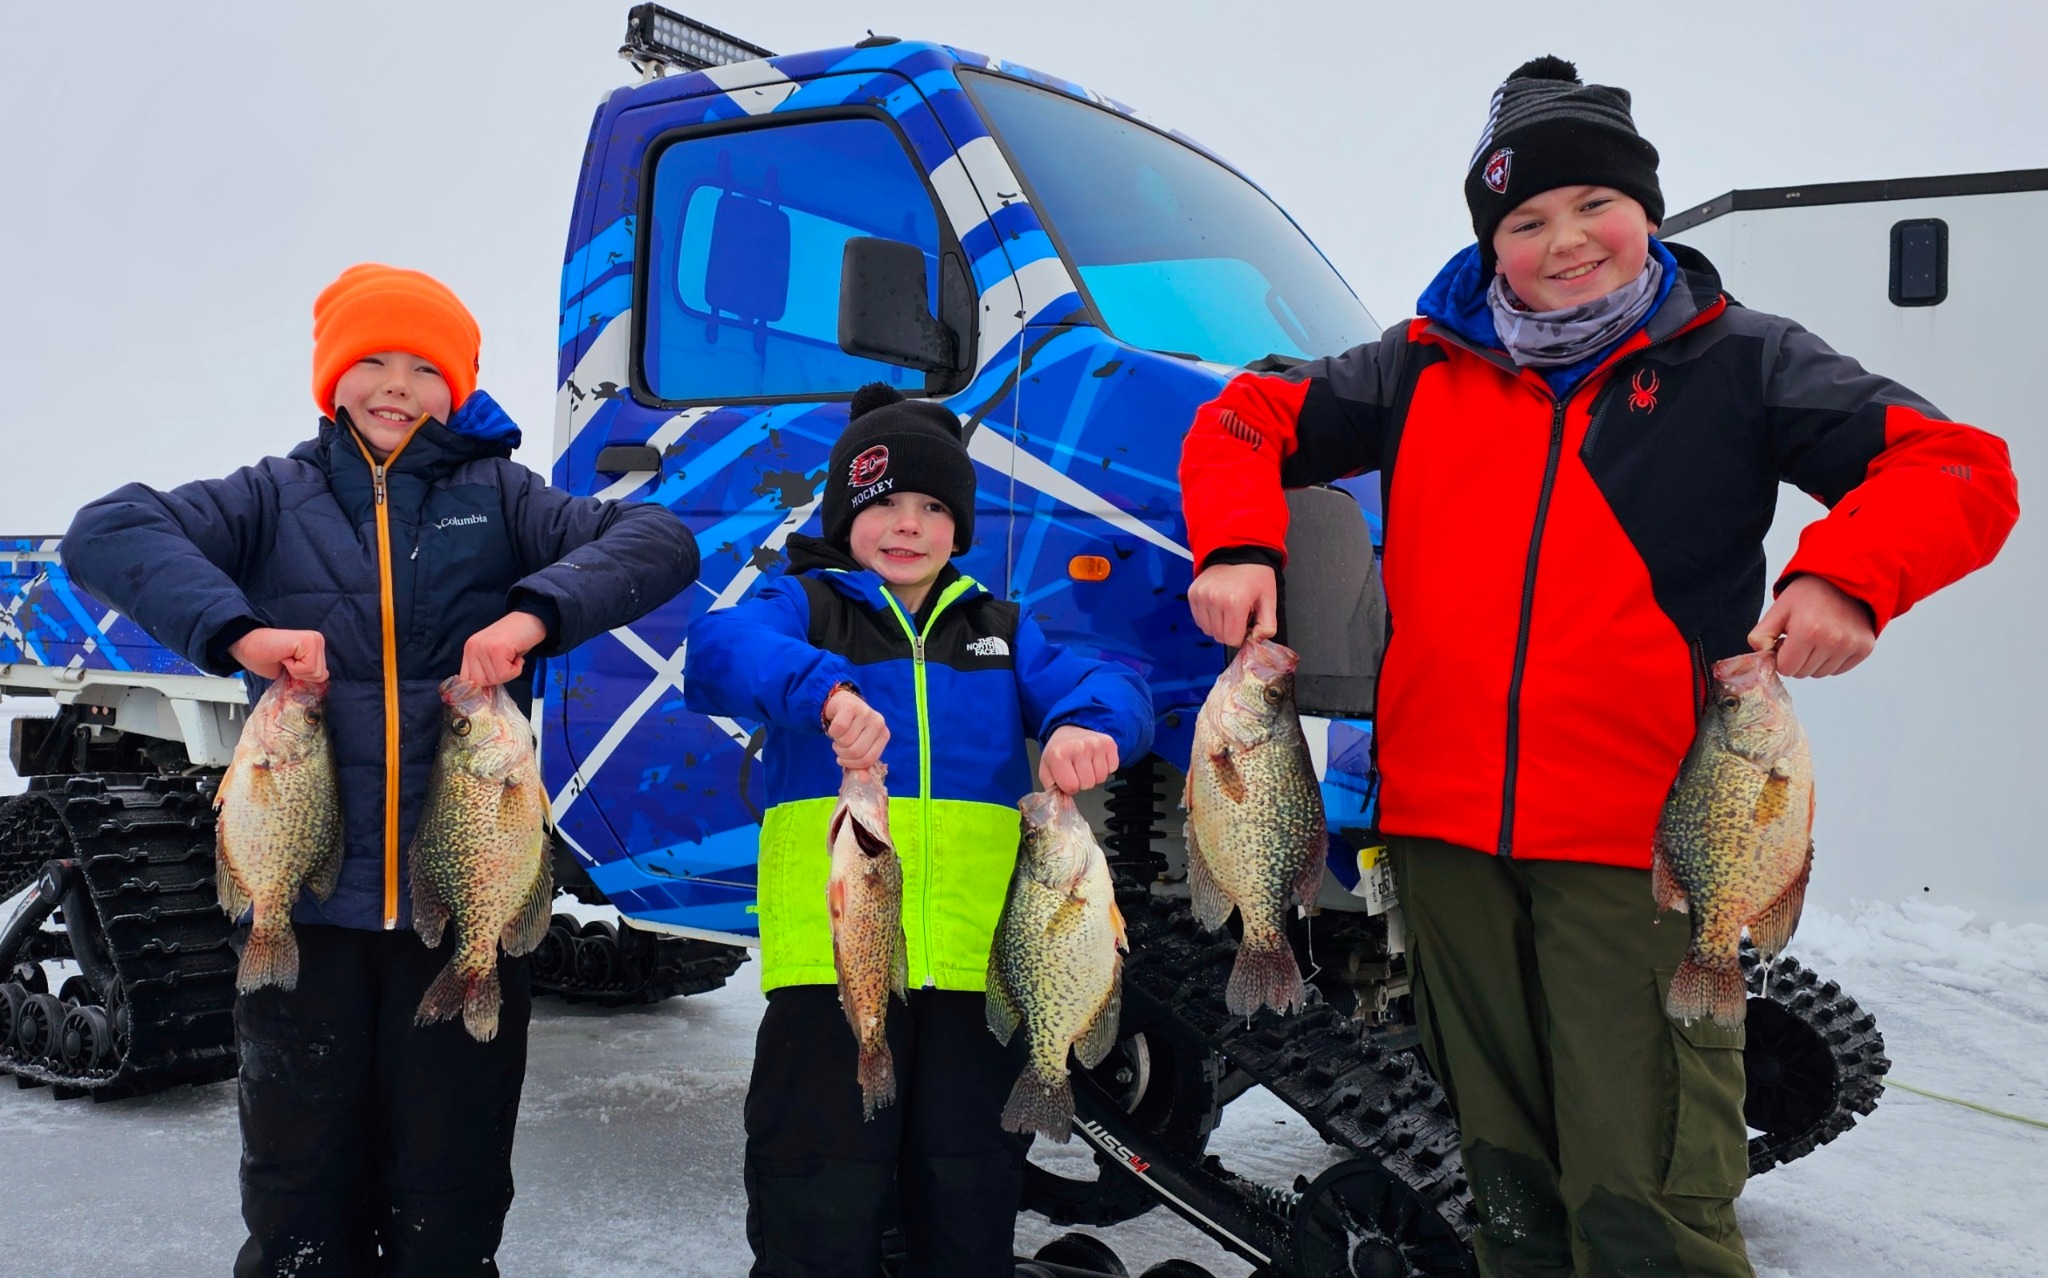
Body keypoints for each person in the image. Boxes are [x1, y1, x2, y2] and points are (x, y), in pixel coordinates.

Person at [1177, 57, 2017, 1277]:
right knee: (1505, 1181)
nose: (1563, 241)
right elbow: (1241, 417)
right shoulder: (1416, 367)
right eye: (1524, 221)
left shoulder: (1742, 362)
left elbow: (1957, 467)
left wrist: (1845, 575)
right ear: (1490, 240)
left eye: (1593, 206)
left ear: (1646, 211)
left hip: (1640, 847)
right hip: (1445, 841)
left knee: (1642, 1192)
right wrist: (1240, 544)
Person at [63, 263, 700, 1276]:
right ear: (331, 378)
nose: (396, 384)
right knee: (296, 1177)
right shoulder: (270, 497)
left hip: (456, 912)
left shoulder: (502, 496)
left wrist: (532, 613)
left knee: (449, 1181)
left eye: (422, 365)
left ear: (454, 385)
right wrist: (241, 631)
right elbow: (108, 531)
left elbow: (658, 538)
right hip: (307, 923)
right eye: (371, 360)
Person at [685, 382, 1154, 1277]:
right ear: (845, 512)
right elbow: (716, 653)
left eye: (933, 507)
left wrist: (1088, 725)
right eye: (884, 504)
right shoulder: (807, 609)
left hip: (982, 971)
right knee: (816, 1191)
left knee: (967, 1197)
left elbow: (1115, 686)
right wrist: (822, 691)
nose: (908, 526)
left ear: (960, 524)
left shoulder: (1000, 631)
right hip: (832, 966)